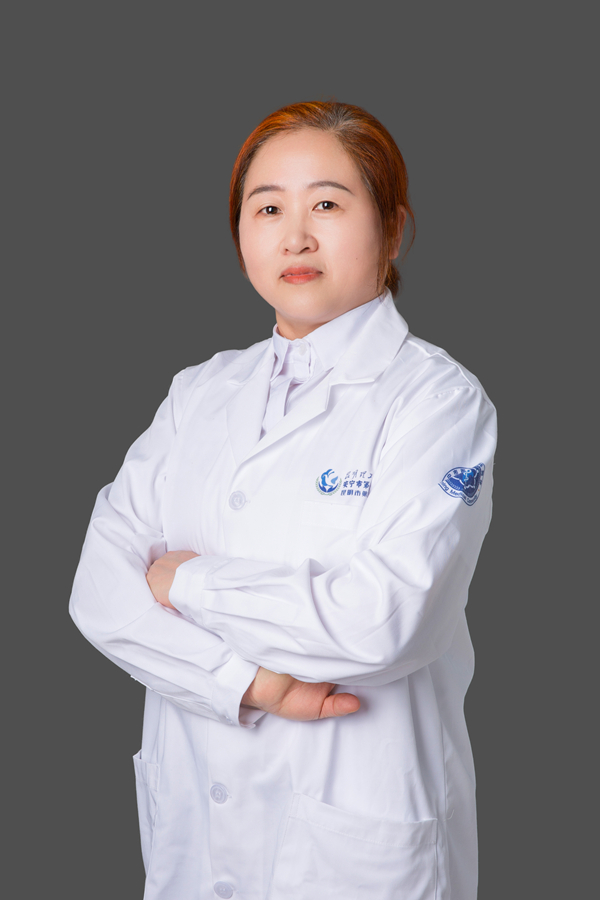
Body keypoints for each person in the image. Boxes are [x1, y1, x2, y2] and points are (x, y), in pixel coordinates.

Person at [70, 100, 497, 900]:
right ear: (240, 236)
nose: (295, 237)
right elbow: (98, 593)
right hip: (195, 827)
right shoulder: (198, 393)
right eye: (267, 209)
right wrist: (251, 684)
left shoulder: (436, 401)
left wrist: (188, 584)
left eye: (327, 205)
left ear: (392, 229)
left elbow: (388, 621)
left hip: (357, 836)